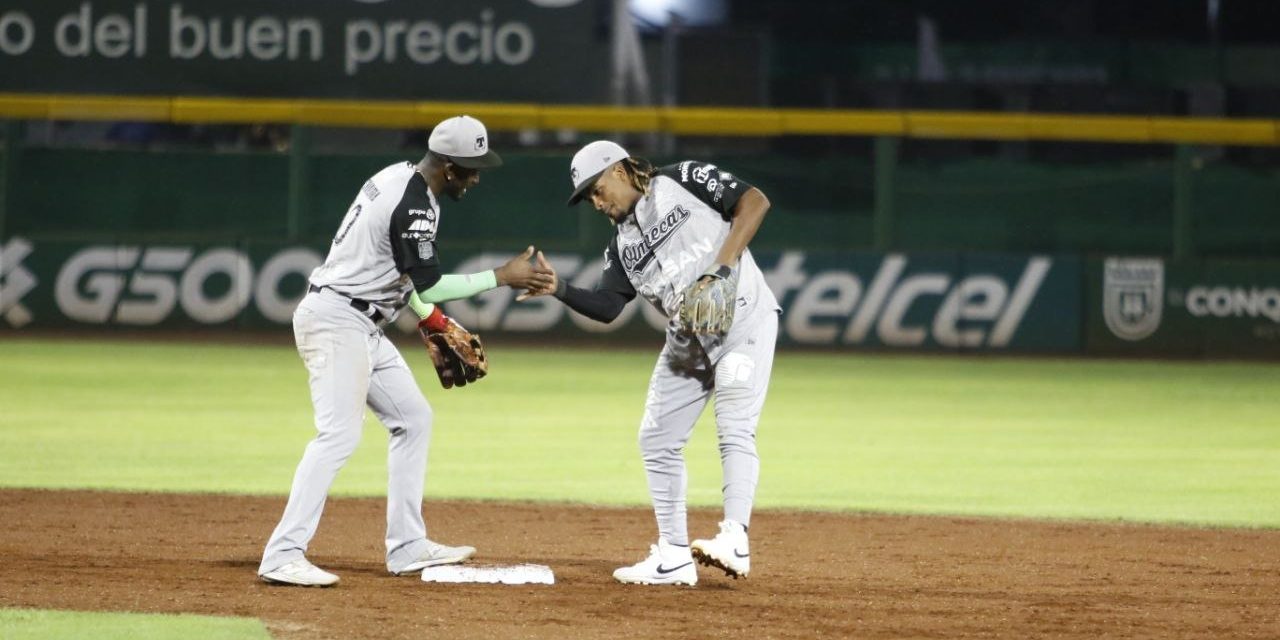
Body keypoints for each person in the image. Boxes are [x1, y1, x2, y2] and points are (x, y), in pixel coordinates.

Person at [258, 115, 553, 587]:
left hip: (360, 321)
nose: (477, 178)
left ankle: (408, 545)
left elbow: (404, 274)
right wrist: (501, 276)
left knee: (414, 419)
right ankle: (282, 554)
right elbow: (429, 283)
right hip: (338, 320)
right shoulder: (413, 202)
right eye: (472, 169)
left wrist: (429, 318)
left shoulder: (401, 178)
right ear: (449, 167)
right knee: (338, 436)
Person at [519, 141, 780, 585]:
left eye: (598, 189)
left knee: (734, 426)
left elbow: (754, 201)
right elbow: (607, 307)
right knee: (657, 439)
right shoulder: (622, 245)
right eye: (589, 197)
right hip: (689, 340)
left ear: (620, 171)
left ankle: (735, 537)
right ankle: (674, 556)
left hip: (742, 321)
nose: (597, 202)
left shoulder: (683, 179)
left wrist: (721, 266)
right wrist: (559, 288)